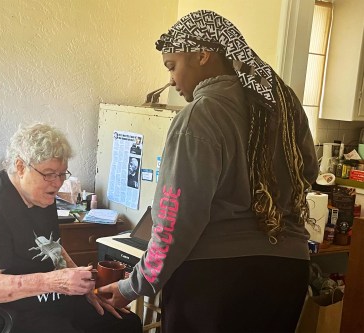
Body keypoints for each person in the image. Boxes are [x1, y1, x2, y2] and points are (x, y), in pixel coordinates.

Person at [98, 10, 318, 333]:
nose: (171, 80)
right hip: (287, 275)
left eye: (172, 66)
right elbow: (308, 172)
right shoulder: (282, 106)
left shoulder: (199, 117)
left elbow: (174, 224)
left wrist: (134, 286)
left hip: (219, 284)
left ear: (203, 55)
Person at [0, 123, 142, 333]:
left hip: (39, 299)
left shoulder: (40, 196)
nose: (57, 183)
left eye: (61, 174)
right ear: (21, 167)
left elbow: (53, 246)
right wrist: (54, 281)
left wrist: (84, 285)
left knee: (125, 323)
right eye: (49, 174)